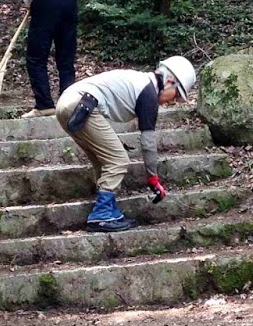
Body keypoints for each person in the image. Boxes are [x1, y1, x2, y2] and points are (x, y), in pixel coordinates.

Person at [56, 56, 197, 232]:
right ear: (169, 81)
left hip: (68, 104)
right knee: (118, 159)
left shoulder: (140, 83)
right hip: (80, 105)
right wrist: (153, 178)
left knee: (104, 161)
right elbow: (148, 143)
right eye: (176, 94)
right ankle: (102, 214)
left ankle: (110, 210)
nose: (173, 101)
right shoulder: (148, 93)